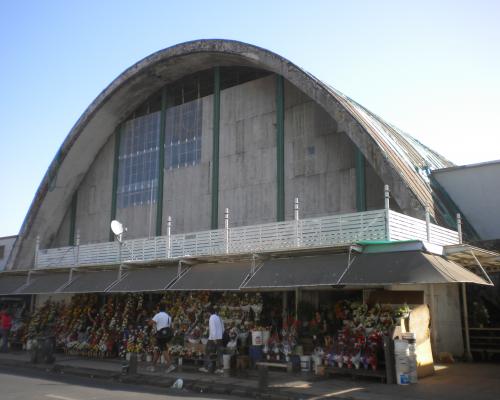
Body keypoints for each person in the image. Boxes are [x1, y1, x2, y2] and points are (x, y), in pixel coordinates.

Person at [149, 303, 175, 373]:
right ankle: (153, 366)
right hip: (166, 335)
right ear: (165, 309)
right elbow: (170, 326)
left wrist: (152, 321)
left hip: (160, 336)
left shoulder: (158, 315)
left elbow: (150, 323)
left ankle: (170, 365)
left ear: (158, 308)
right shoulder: (168, 316)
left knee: (163, 350)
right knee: (157, 350)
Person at [199, 306, 224, 374]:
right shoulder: (218, 317)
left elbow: (213, 329)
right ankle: (220, 368)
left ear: (208, 312)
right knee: (219, 353)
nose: (206, 314)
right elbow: (223, 328)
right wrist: (220, 336)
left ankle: (205, 367)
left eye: (206, 312)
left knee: (207, 352)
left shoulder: (212, 318)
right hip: (220, 337)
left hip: (213, 338)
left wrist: (214, 338)